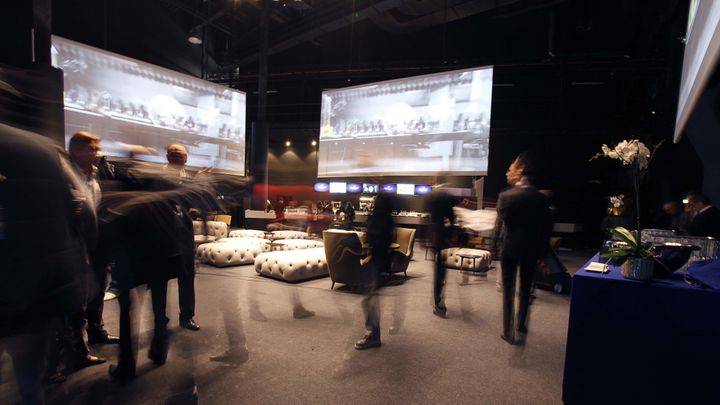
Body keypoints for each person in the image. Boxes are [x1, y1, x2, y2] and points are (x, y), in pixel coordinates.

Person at [494, 152, 551, 345]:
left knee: (508, 290)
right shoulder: (541, 199)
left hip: (509, 249)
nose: (507, 173)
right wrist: (543, 254)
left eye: (510, 170)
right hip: (531, 250)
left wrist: (493, 248)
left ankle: (507, 331)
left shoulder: (505, 196)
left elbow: (498, 226)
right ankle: (521, 324)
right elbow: (546, 230)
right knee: (526, 288)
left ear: (520, 172)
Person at [163, 143, 200, 331]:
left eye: (183, 156)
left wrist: (194, 209)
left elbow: (195, 203)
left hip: (184, 235)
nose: (180, 159)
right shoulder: (158, 178)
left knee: (187, 278)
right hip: (163, 236)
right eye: (176, 155)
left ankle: (187, 317)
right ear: (168, 156)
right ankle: (160, 317)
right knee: (160, 280)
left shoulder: (189, 179)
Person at [355, 193, 396, 350]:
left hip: (376, 263)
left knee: (369, 299)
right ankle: (373, 333)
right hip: (380, 262)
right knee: (369, 298)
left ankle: (373, 334)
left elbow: (373, 238)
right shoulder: (387, 219)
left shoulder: (379, 220)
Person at [426, 185, 459, 317]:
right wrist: (452, 235)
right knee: (441, 270)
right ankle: (439, 301)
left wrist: (424, 239)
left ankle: (437, 301)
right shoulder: (447, 196)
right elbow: (452, 217)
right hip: (444, 238)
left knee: (437, 270)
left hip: (434, 237)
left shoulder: (430, 196)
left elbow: (427, 217)